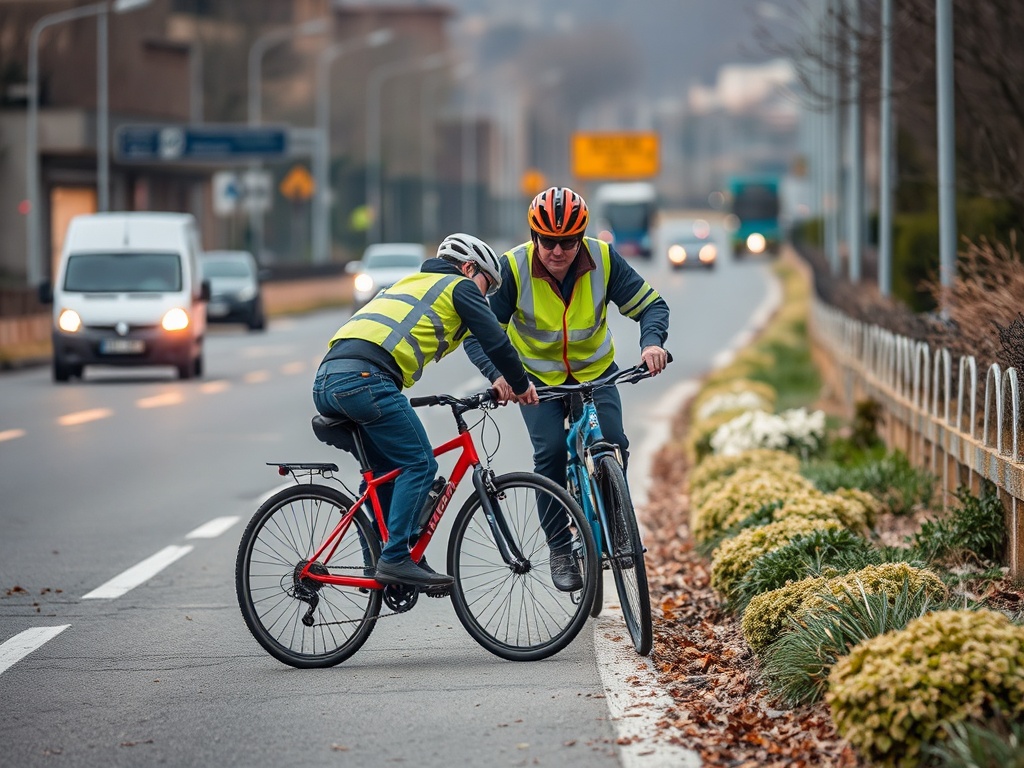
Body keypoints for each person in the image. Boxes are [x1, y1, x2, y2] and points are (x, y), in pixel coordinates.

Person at [464, 186, 669, 592]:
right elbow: (477, 335)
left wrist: (652, 343)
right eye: (549, 242)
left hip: (594, 372)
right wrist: (499, 375)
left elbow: (651, 305)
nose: (557, 252)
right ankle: (560, 547)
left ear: (581, 238)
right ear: (534, 236)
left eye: (568, 243)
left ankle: (617, 524)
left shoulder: (604, 259)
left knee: (611, 441)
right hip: (535, 381)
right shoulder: (512, 269)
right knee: (551, 453)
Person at [313, 233, 538, 591]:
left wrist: (497, 377)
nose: (485, 296)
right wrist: (522, 384)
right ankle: (395, 559)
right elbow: (495, 338)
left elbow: (476, 340)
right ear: (468, 268)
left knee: (388, 471)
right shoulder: (459, 288)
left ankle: (381, 558)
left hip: (328, 382)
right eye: (486, 285)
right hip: (365, 381)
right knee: (421, 464)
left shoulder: (412, 285)